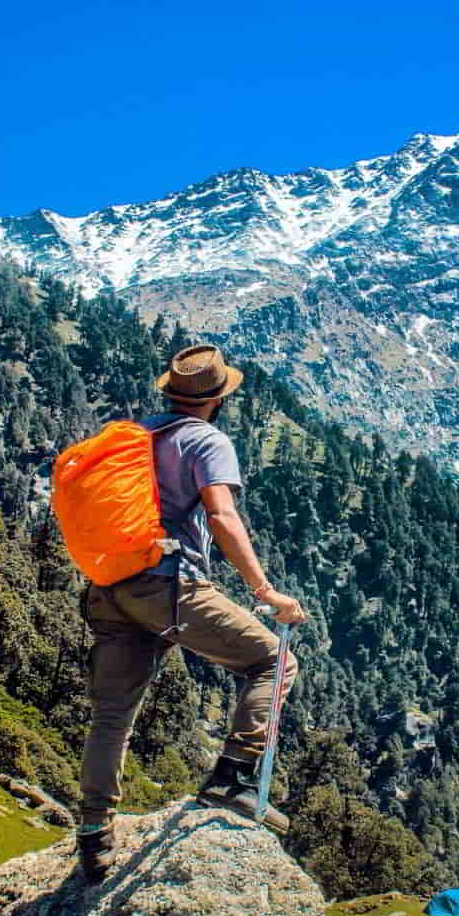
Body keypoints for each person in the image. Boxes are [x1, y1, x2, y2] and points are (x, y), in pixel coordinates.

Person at [76, 343, 308, 884]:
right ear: (218, 399)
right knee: (272, 662)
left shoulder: (139, 436)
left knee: (112, 715)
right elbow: (222, 516)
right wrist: (265, 590)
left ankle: (94, 832)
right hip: (168, 585)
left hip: (111, 587)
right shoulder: (206, 439)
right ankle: (232, 779)